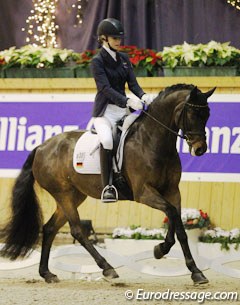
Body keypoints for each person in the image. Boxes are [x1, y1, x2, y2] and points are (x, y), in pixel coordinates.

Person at [91, 18, 154, 203]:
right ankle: (107, 186)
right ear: (104, 38)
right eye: (114, 38)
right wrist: (126, 100)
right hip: (105, 113)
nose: (119, 41)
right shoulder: (97, 61)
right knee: (108, 140)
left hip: (123, 110)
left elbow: (132, 83)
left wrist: (143, 96)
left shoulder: (124, 59)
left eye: (119, 38)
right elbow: (105, 88)